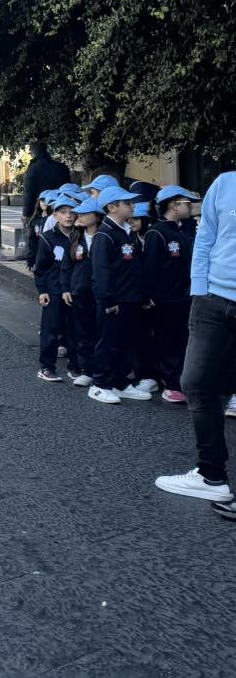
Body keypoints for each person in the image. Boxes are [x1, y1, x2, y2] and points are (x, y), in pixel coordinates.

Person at [155, 172, 236, 513]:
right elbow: (207, 238)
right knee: (196, 383)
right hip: (213, 299)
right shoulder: (225, 183)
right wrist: (199, 289)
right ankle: (211, 476)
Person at [87, 184, 150, 404]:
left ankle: (120, 382)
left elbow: (136, 268)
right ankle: (99, 384)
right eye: (128, 203)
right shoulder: (105, 235)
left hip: (131, 298)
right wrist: (108, 300)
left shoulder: (127, 233)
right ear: (112, 207)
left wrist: (142, 295)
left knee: (126, 343)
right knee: (109, 343)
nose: (133, 206)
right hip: (114, 301)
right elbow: (101, 271)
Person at [142, 186, 199, 404]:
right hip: (165, 298)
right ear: (173, 205)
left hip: (186, 296)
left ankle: (182, 381)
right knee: (169, 341)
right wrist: (149, 296)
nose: (190, 207)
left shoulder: (185, 230)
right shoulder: (157, 232)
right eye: (186, 203)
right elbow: (150, 268)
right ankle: (171, 384)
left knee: (184, 340)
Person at [32, 193, 79, 382]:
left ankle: (75, 367)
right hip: (53, 290)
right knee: (50, 331)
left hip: (75, 291)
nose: (68, 216)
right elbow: (40, 267)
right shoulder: (47, 238)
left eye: (72, 212)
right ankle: (46, 367)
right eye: (63, 212)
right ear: (55, 215)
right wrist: (42, 290)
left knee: (75, 331)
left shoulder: (80, 236)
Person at [61, 196, 102, 386]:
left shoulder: (105, 236)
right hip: (79, 293)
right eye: (80, 213)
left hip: (101, 294)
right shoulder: (75, 238)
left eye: (85, 213)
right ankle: (87, 370)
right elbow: (66, 266)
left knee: (102, 333)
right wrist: (66, 288)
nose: (80, 216)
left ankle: (102, 370)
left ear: (97, 216)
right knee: (83, 333)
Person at [20, 141, 72, 231]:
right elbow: (69, 189)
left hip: (40, 210)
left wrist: (26, 214)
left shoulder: (33, 169)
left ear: (34, 152)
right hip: (61, 208)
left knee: (40, 236)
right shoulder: (61, 167)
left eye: (30, 151)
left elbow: (28, 193)